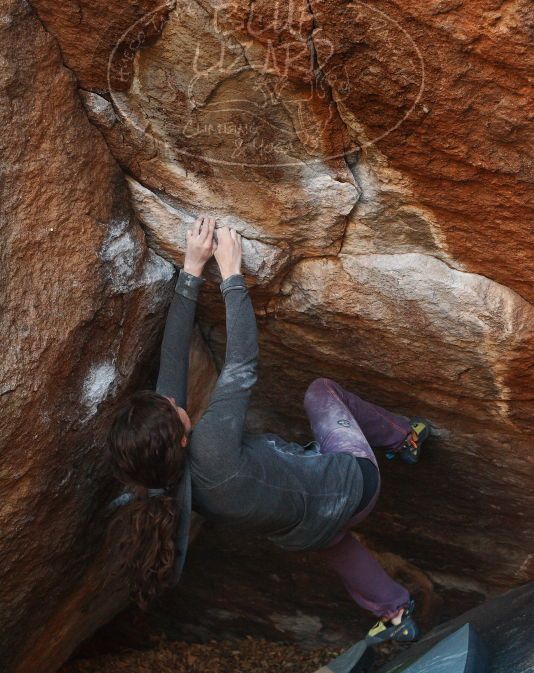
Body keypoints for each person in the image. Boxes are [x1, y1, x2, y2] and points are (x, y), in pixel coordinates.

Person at [107, 216, 430, 642]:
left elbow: (172, 365)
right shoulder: (212, 449)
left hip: (303, 529)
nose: (170, 399)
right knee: (320, 393)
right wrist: (232, 275)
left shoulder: (169, 484)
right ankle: (404, 437)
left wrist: (189, 271)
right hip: (356, 485)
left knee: (334, 538)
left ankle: (394, 611)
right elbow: (242, 362)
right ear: (182, 436)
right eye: (170, 408)